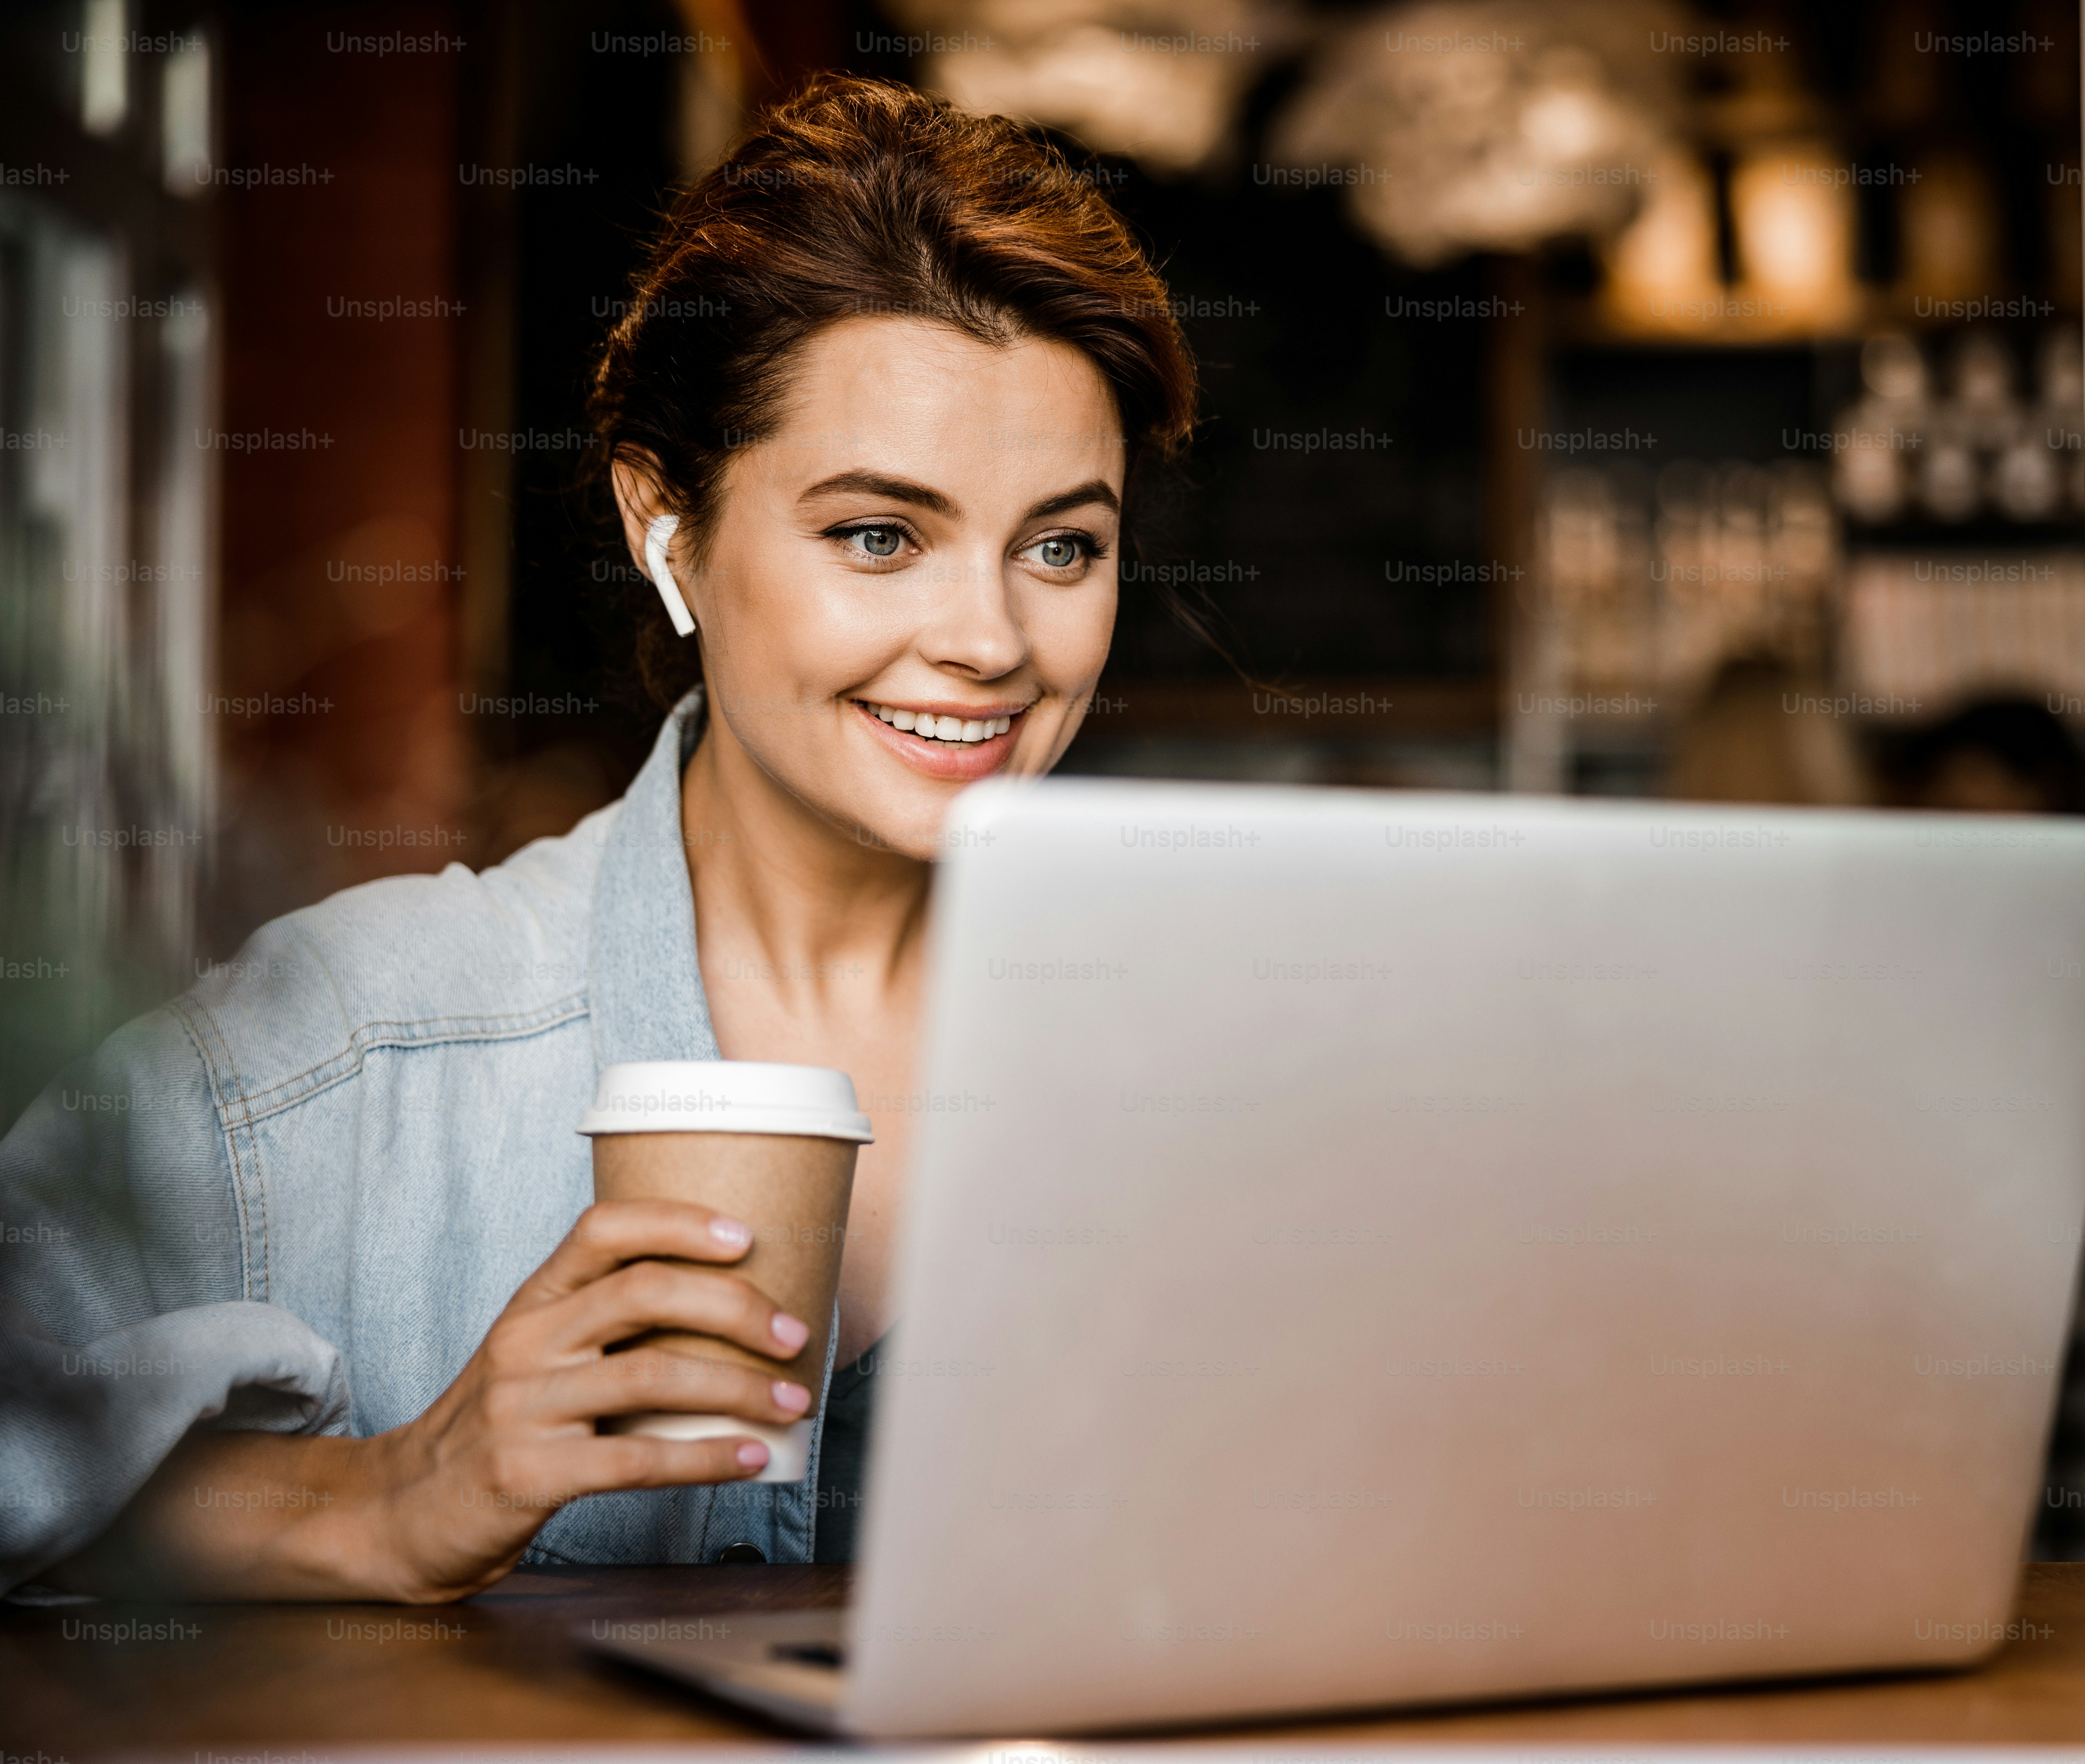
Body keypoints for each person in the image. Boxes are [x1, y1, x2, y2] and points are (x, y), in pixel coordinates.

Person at [0, 75, 1195, 1601]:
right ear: (665, 527)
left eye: (1061, 546)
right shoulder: (351, 1048)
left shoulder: (1228, 1057)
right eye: (878, 535)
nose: (989, 639)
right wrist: (377, 1499)